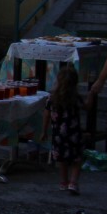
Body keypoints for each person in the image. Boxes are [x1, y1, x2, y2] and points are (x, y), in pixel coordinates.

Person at [45, 64, 84, 195]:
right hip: (74, 134)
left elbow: (46, 115)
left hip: (58, 135)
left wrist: (44, 131)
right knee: (76, 159)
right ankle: (73, 182)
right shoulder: (76, 98)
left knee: (61, 160)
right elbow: (86, 107)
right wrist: (91, 95)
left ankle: (63, 181)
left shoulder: (52, 98)